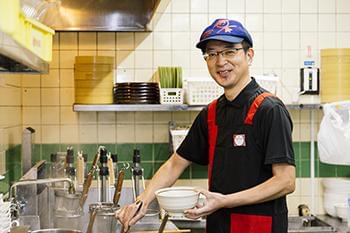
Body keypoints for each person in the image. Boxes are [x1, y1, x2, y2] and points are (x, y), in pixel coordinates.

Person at [116, 18, 296, 233]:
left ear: (249, 55)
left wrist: (224, 201)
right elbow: (175, 164)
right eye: (212, 54)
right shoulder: (211, 113)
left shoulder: (269, 109)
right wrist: (141, 202)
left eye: (229, 51)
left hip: (259, 227)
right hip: (220, 226)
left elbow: (285, 181)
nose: (220, 62)